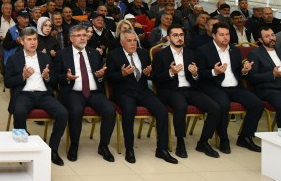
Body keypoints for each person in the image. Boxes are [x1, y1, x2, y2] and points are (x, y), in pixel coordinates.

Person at [107, 29, 178, 164]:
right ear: (122, 42)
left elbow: (152, 75)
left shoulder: (143, 53)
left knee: (162, 111)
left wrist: (148, 74)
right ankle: (129, 149)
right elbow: (109, 77)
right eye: (129, 41)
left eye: (135, 40)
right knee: (129, 110)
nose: (133, 43)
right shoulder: (113, 55)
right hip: (124, 92)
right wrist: (122, 74)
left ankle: (162, 149)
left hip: (143, 90)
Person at [151, 24, 221, 158]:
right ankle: (180, 141)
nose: (179, 38)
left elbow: (198, 77)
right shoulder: (160, 55)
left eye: (181, 35)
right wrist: (170, 72)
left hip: (190, 89)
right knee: (180, 106)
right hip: (171, 90)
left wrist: (195, 74)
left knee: (215, 108)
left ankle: (203, 142)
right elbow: (155, 77)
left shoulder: (191, 53)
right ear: (168, 38)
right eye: (175, 35)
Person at [195, 22, 263, 153]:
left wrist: (244, 71)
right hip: (214, 86)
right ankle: (223, 139)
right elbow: (199, 75)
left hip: (235, 87)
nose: (225, 37)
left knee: (257, 105)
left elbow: (238, 72)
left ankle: (245, 137)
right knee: (223, 105)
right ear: (214, 35)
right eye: (221, 35)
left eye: (227, 34)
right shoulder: (203, 50)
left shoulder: (234, 50)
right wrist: (215, 72)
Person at [5, 26, 68, 166]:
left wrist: (47, 77)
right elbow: (8, 82)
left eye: (35, 39)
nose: (33, 42)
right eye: (29, 39)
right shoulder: (14, 59)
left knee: (63, 113)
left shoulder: (45, 57)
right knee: (19, 112)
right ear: (22, 41)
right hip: (24, 94)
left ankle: (52, 149)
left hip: (44, 94)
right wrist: (23, 76)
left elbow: (54, 80)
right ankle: (23, 148)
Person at [53, 24, 115, 162]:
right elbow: (55, 76)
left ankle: (103, 146)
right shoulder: (62, 54)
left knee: (110, 110)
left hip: (94, 92)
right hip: (73, 91)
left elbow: (100, 74)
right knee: (76, 110)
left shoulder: (94, 53)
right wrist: (66, 77)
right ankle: (74, 145)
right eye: (79, 35)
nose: (83, 38)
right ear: (71, 38)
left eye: (84, 35)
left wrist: (100, 76)